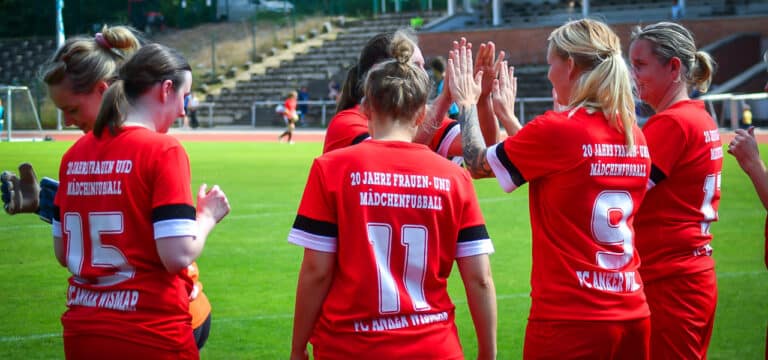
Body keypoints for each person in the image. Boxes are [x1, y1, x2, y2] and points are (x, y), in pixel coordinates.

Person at [289, 33, 497, 360]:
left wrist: (479, 101)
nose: (418, 72)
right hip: (433, 345)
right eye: (414, 65)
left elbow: (479, 159)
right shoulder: (451, 176)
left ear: (369, 101)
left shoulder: (331, 168)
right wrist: (455, 101)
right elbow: (479, 278)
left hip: (350, 345)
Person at [456, 19, 651, 358]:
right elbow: (563, 168)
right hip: (632, 312)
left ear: (570, 65)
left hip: (571, 320)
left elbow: (476, 163)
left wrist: (468, 101)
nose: (548, 74)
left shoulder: (559, 130)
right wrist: (503, 115)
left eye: (551, 64)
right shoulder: (633, 133)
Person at [51, 43, 230, 359]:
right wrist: (207, 217)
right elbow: (177, 255)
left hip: (83, 331)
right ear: (166, 89)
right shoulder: (163, 150)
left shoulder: (72, 156)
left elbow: (62, 252)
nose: (183, 111)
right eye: (184, 98)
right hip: (150, 331)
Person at [629, 22, 720, 359]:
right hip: (688, 275)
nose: (633, 75)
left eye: (640, 65)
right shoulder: (699, 117)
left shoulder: (672, 123)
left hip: (670, 281)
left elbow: (620, 193)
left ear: (674, 67)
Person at [325, 29, 504, 157]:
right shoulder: (347, 123)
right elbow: (391, 161)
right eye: (416, 66)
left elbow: (484, 151)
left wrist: (482, 99)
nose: (424, 75)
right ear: (379, 72)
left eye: (423, 66)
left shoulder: (423, 118)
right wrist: (445, 99)